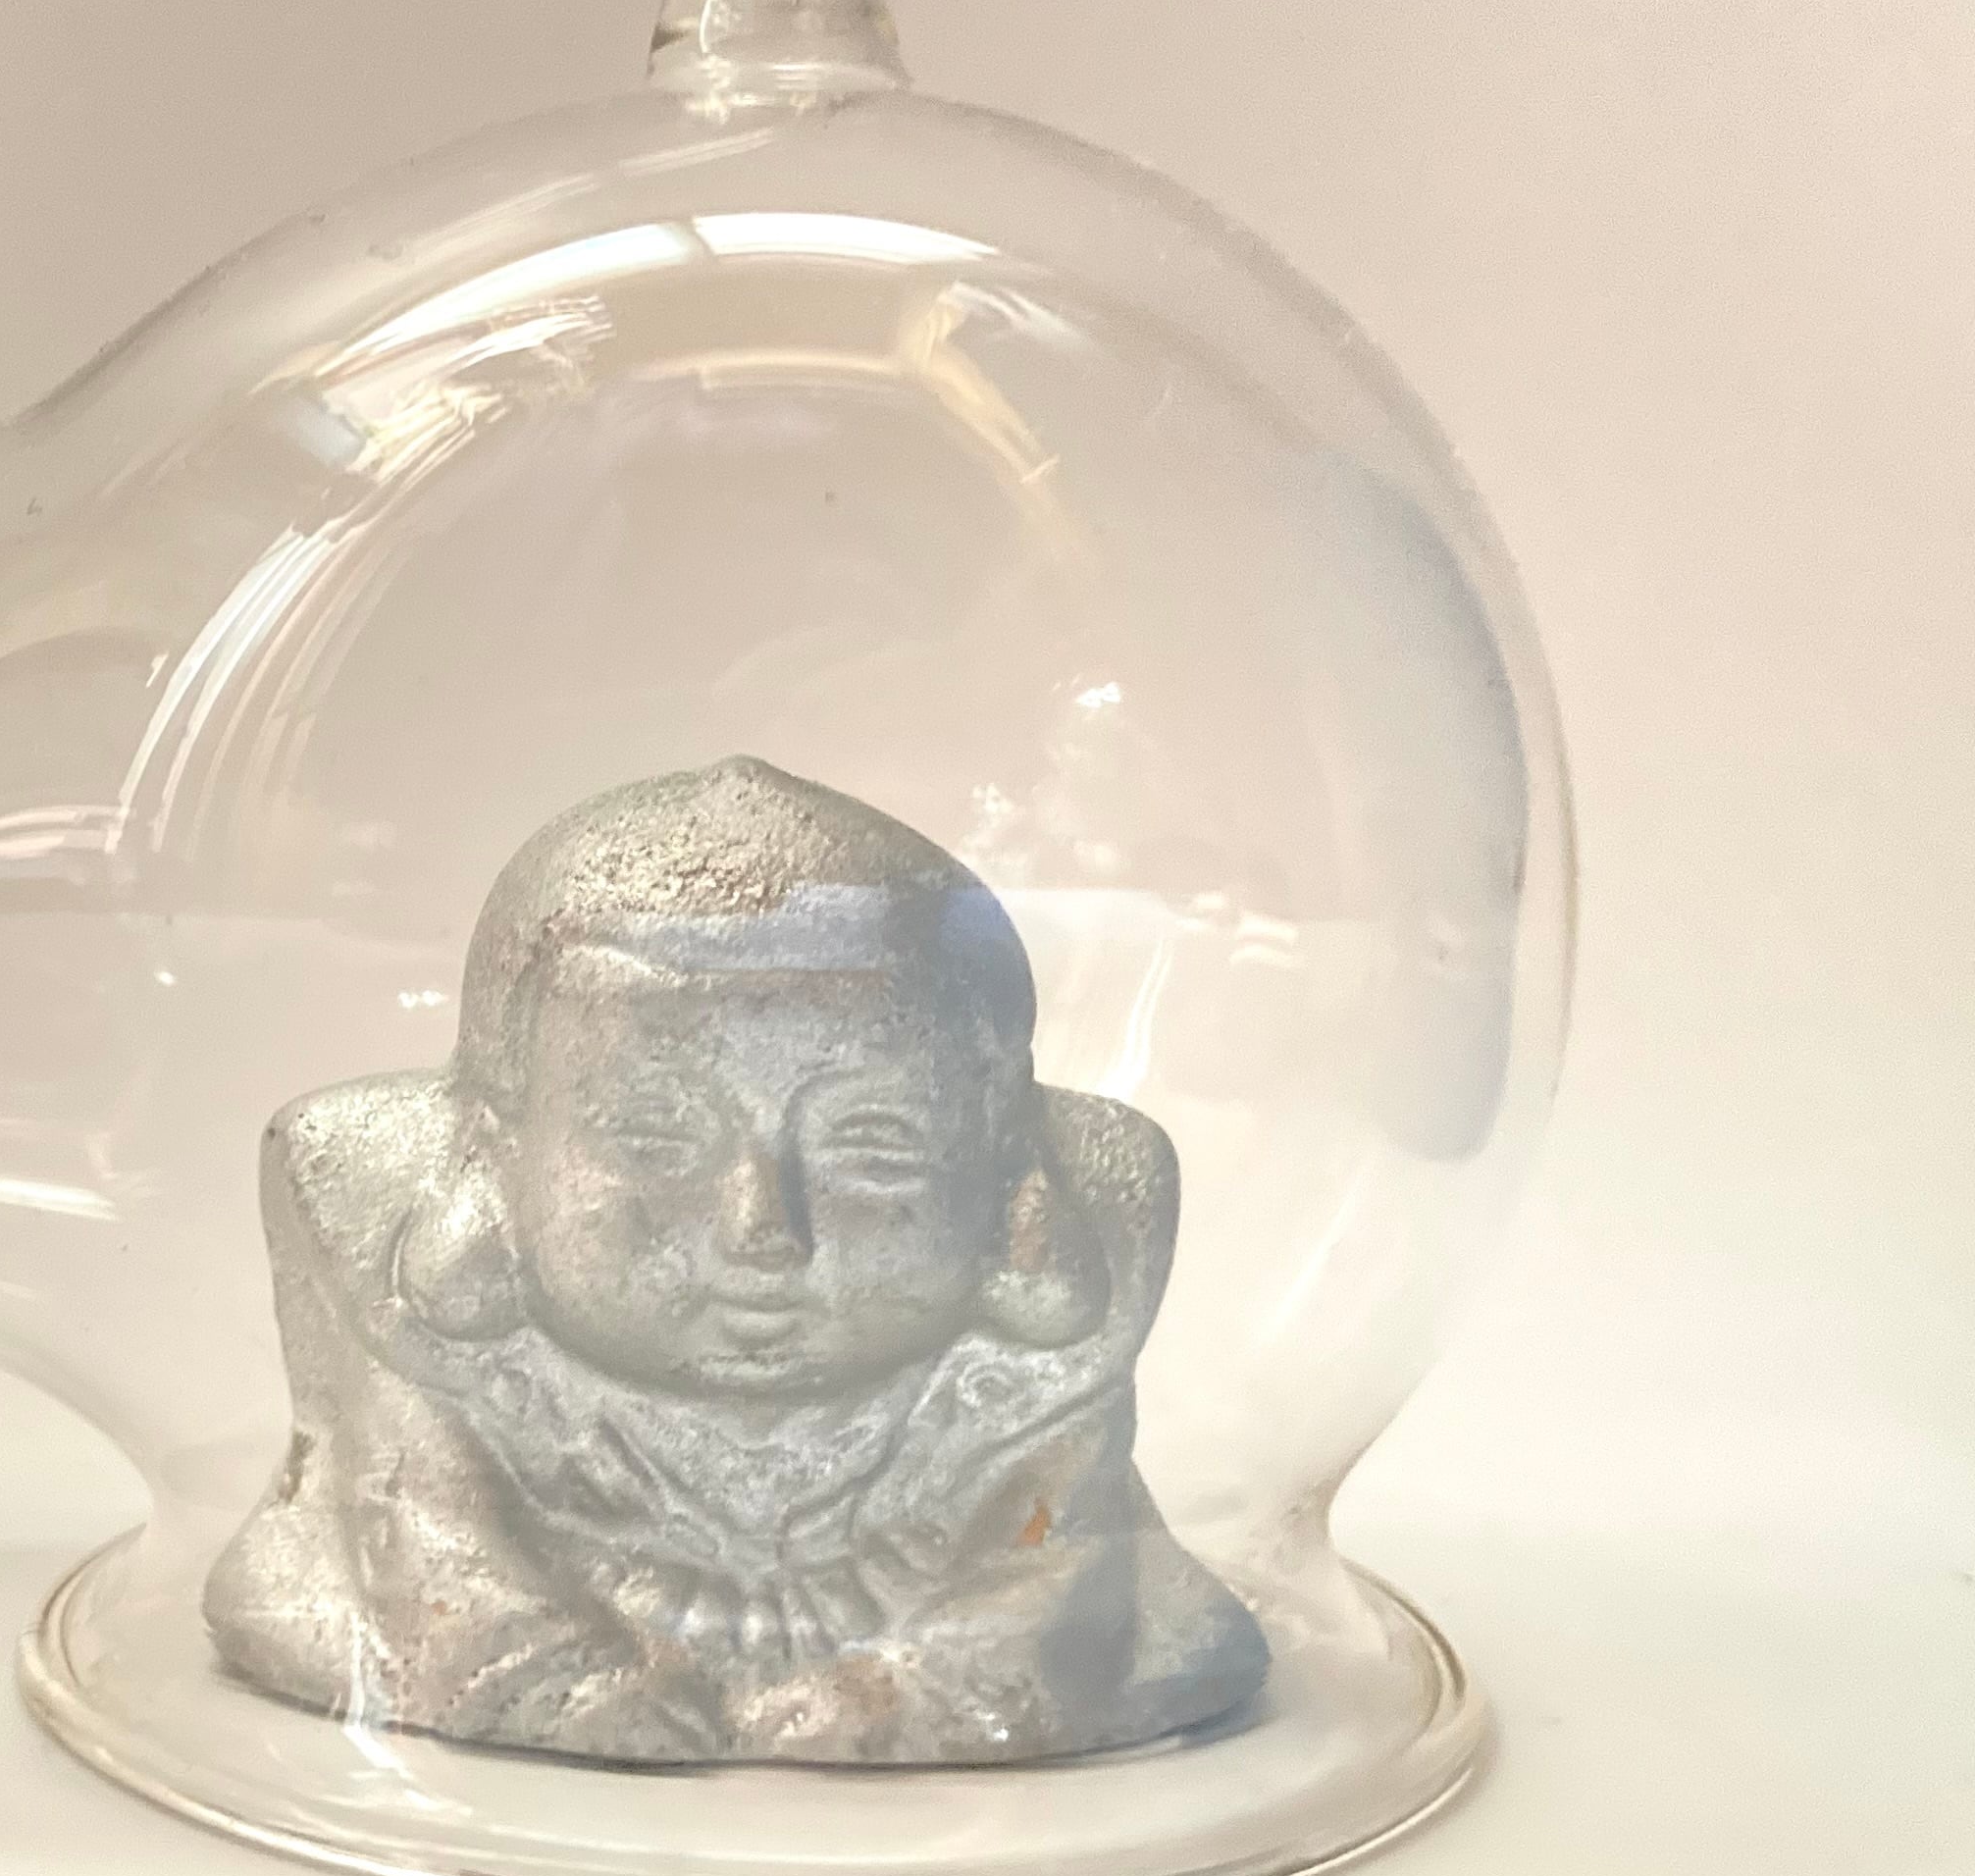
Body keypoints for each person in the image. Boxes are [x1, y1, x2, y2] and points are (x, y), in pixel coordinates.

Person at [204, 756, 1267, 1764]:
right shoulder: (395, 1277)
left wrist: (914, 1690)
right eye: (656, 1139)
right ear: (491, 1150)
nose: (763, 1228)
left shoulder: (1061, 1303)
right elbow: (429, 1555)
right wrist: (544, 1674)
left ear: (1002, 1165)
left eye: (870, 1148)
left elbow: (1059, 1582)